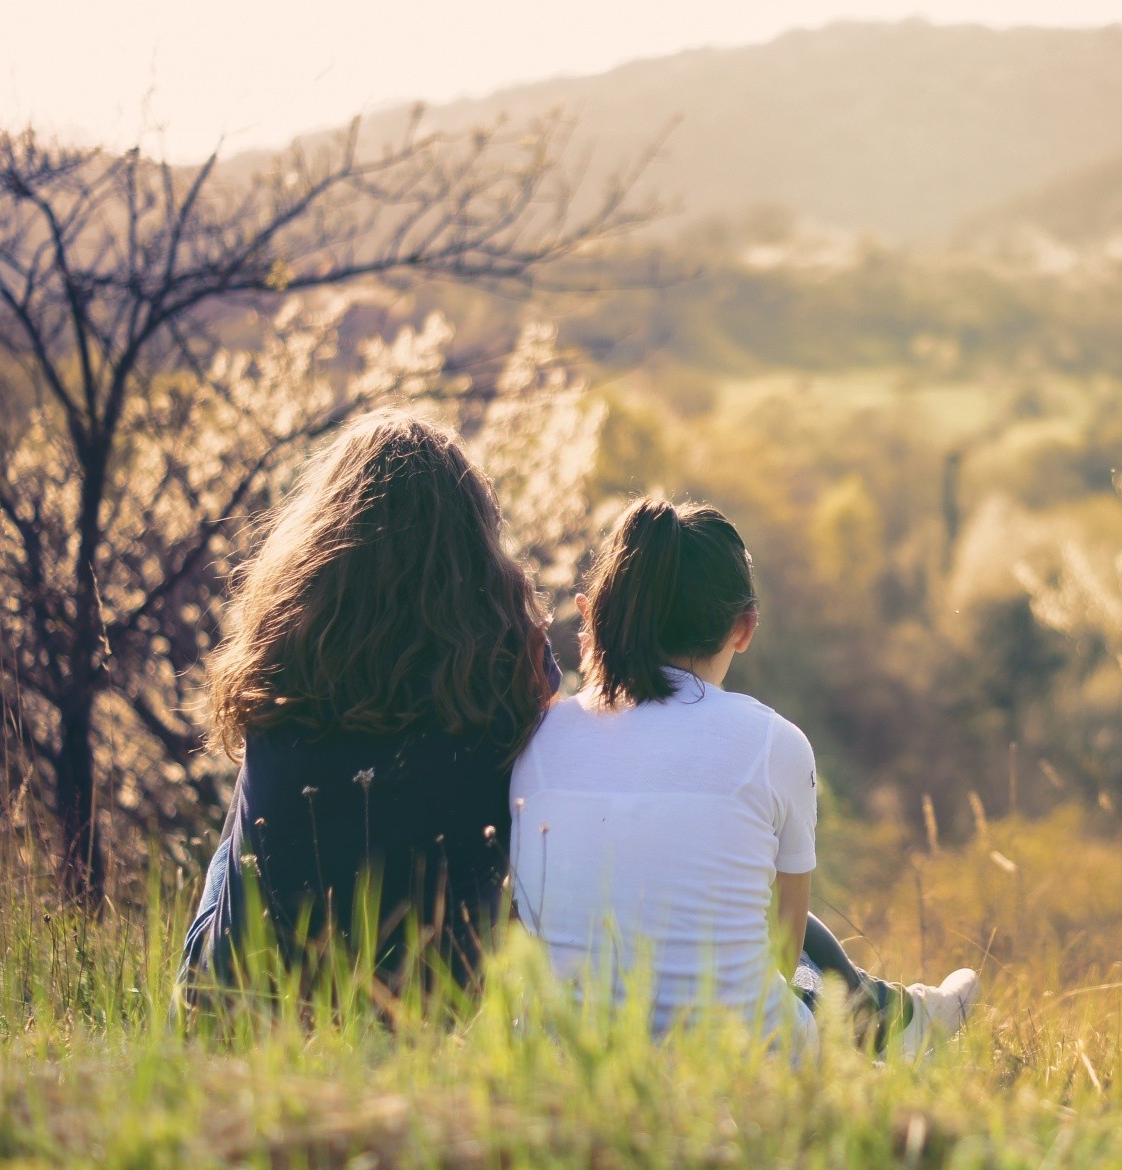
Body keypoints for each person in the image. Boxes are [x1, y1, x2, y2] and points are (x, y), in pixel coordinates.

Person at [509, 497, 978, 1057]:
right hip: (749, 1060)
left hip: (564, 1054)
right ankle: (898, 1026)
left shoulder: (537, 740)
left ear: (596, 615)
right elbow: (783, 950)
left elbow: (523, 928)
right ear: (745, 627)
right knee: (765, 928)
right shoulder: (773, 744)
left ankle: (893, 1019)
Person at [179, 411, 557, 998]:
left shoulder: (281, 645)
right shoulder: (509, 658)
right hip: (436, 1004)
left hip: (242, 1004)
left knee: (236, 838)